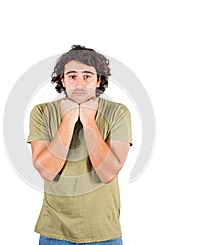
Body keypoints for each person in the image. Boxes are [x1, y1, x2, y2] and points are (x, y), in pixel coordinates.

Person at [27, 45, 133, 244]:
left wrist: (89, 121)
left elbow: (108, 173)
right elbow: (47, 172)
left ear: (99, 79)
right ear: (62, 79)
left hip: (103, 233)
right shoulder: (41, 112)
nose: (79, 84)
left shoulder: (118, 112)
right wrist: (68, 120)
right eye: (72, 76)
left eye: (87, 76)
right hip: (54, 233)